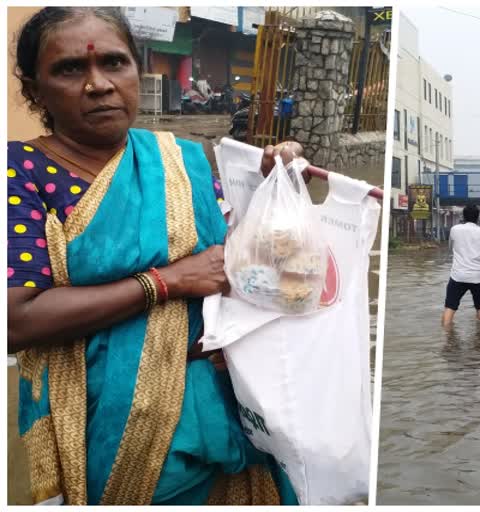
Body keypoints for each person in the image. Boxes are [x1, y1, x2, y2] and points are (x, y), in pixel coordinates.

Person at [7, 7, 304, 505]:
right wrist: (167, 282)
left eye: (114, 63)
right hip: (103, 421)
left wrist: (272, 188)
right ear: (35, 90)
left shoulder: (181, 161)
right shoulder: (22, 171)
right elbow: (18, 318)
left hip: (225, 408)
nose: (98, 84)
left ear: (135, 71)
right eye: (70, 69)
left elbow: (239, 265)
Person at [442, 205, 480, 325]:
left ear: (463, 216)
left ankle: (446, 337)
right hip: (477, 277)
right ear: (478, 217)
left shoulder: (455, 229)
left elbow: (451, 248)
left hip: (457, 276)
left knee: (450, 307)